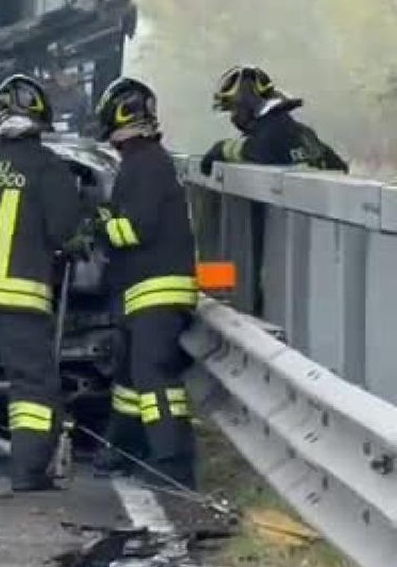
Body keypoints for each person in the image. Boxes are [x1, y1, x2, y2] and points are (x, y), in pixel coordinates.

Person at [0, 74, 82, 492]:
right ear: (41, 119)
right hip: (18, 297)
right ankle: (27, 475)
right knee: (32, 389)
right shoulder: (47, 167)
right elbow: (64, 233)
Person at [93, 77, 200, 490]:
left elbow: (136, 228)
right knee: (130, 378)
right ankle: (123, 450)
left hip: (158, 290)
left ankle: (173, 464)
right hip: (143, 292)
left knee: (154, 379)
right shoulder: (143, 162)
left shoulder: (147, 163)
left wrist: (100, 222)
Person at [201, 65, 348, 175]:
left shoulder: (272, 134)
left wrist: (220, 149)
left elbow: (261, 150)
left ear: (248, 104)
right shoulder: (303, 133)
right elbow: (340, 168)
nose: (232, 118)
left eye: (234, 109)